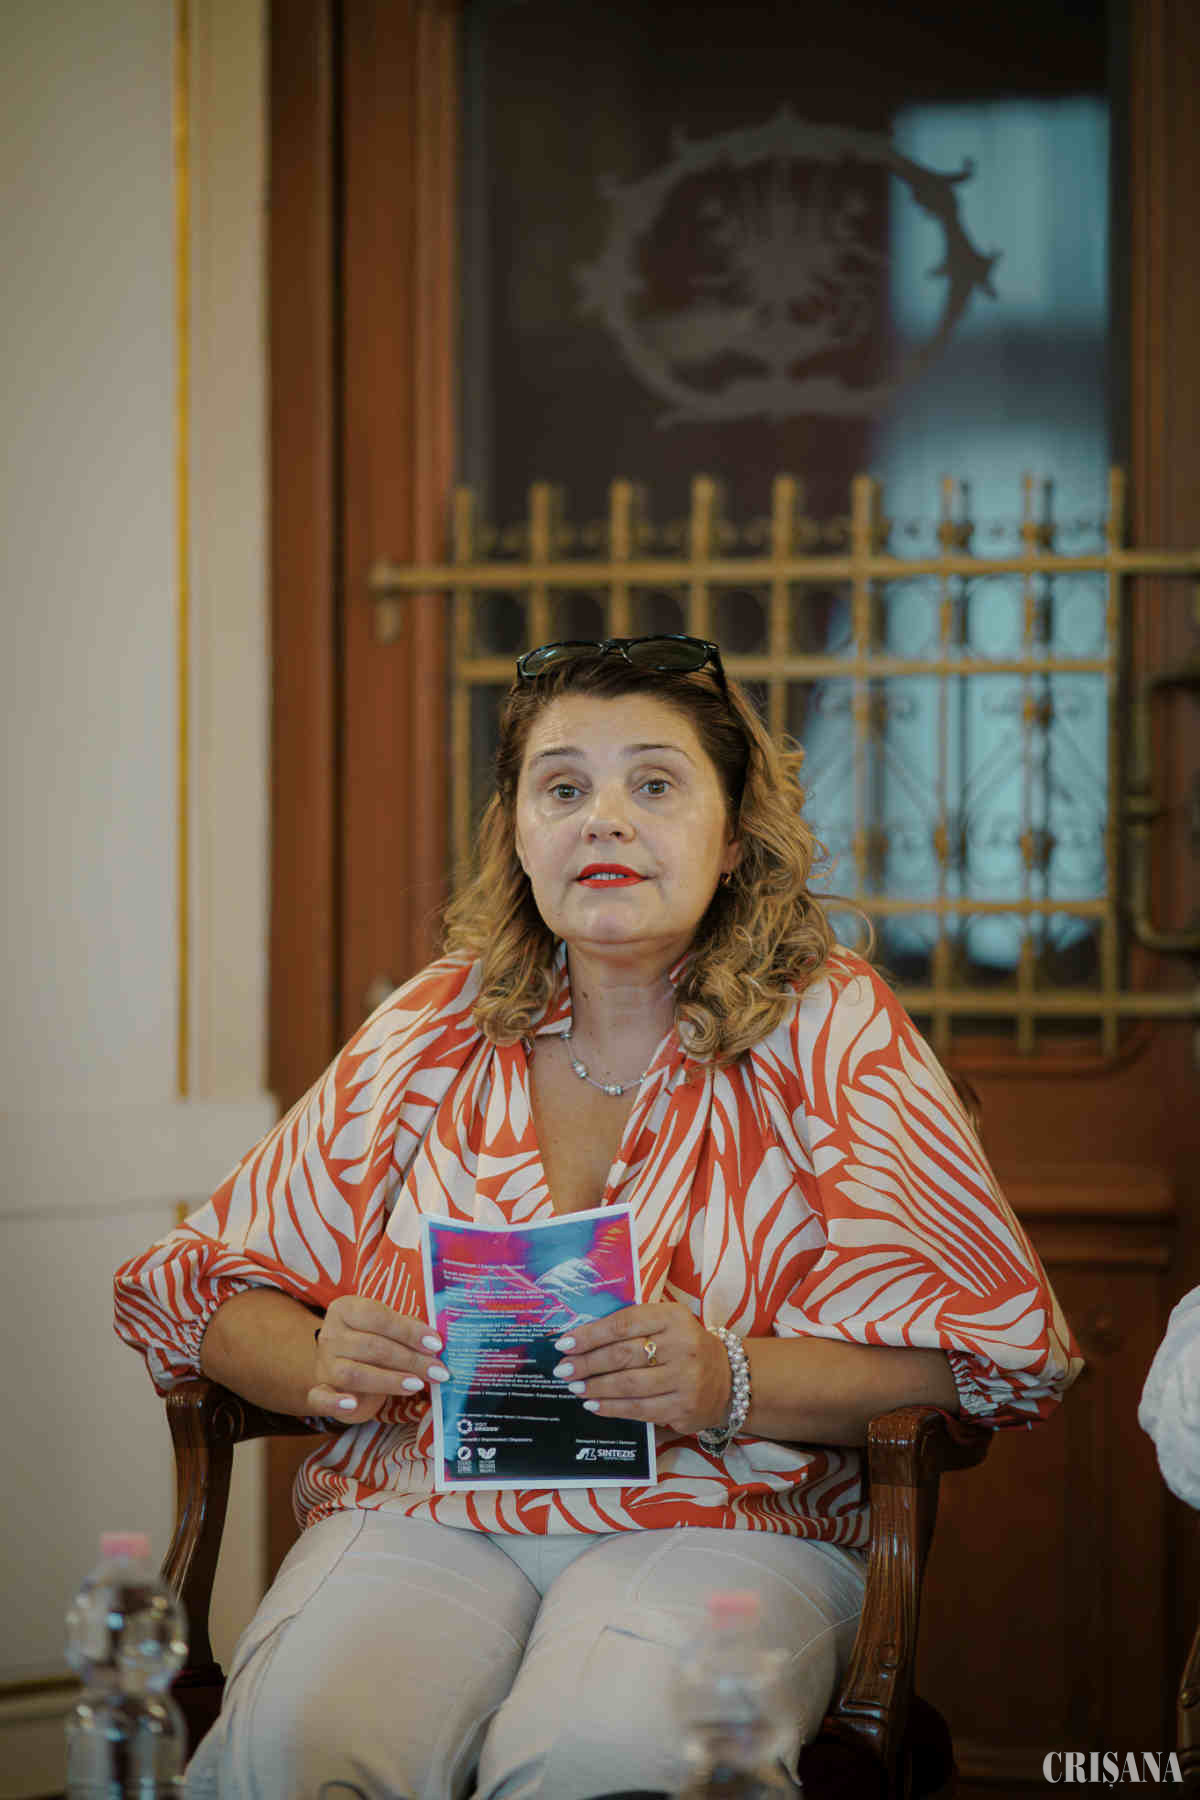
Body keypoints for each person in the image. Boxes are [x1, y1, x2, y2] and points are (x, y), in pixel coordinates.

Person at [115, 634, 1081, 1800]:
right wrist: (319, 1357)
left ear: (734, 838)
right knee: (296, 1749)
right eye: (563, 788)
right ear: (520, 836)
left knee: (597, 1757)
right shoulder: (436, 1022)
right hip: (427, 1507)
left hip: (733, 1520)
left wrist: (727, 1377)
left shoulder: (832, 1027)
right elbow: (197, 1290)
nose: (604, 820)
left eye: (655, 784)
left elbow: (988, 1358)